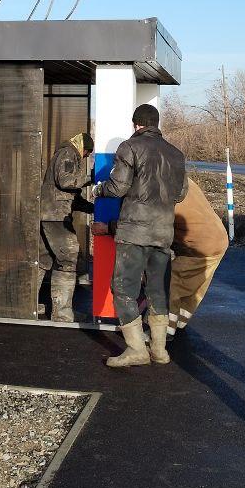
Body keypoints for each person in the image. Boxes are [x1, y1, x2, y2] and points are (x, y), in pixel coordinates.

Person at [83, 103, 187, 368]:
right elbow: (180, 193)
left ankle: (136, 349)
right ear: (156, 124)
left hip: (134, 233)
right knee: (158, 290)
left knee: (123, 288)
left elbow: (118, 187)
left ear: (136, 124)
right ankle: (160, 351)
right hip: (163, 232)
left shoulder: (129, 147)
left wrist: (96, 191)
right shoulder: (176, 154)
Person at [40, 132, 95, 322]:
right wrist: (90, 177)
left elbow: (70, 196)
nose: (86, 156)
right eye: (87, 153)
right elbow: (65, 182)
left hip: (49, 214)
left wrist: (93, 208)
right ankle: (62, 314)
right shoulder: (68, 153)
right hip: (56, 216)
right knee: (69, 257)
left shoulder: (65, 154)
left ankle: (28, 306)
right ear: (83, 147)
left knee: (44, 260)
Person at [166, 176, 229, 339]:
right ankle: (180, 322)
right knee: (194, 288)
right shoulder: (183, 178)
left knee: (169, 283)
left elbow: (146, 224)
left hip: (198, 246)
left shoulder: (161, 188)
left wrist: (111, 227)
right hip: (218, 238)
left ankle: (165, 330)